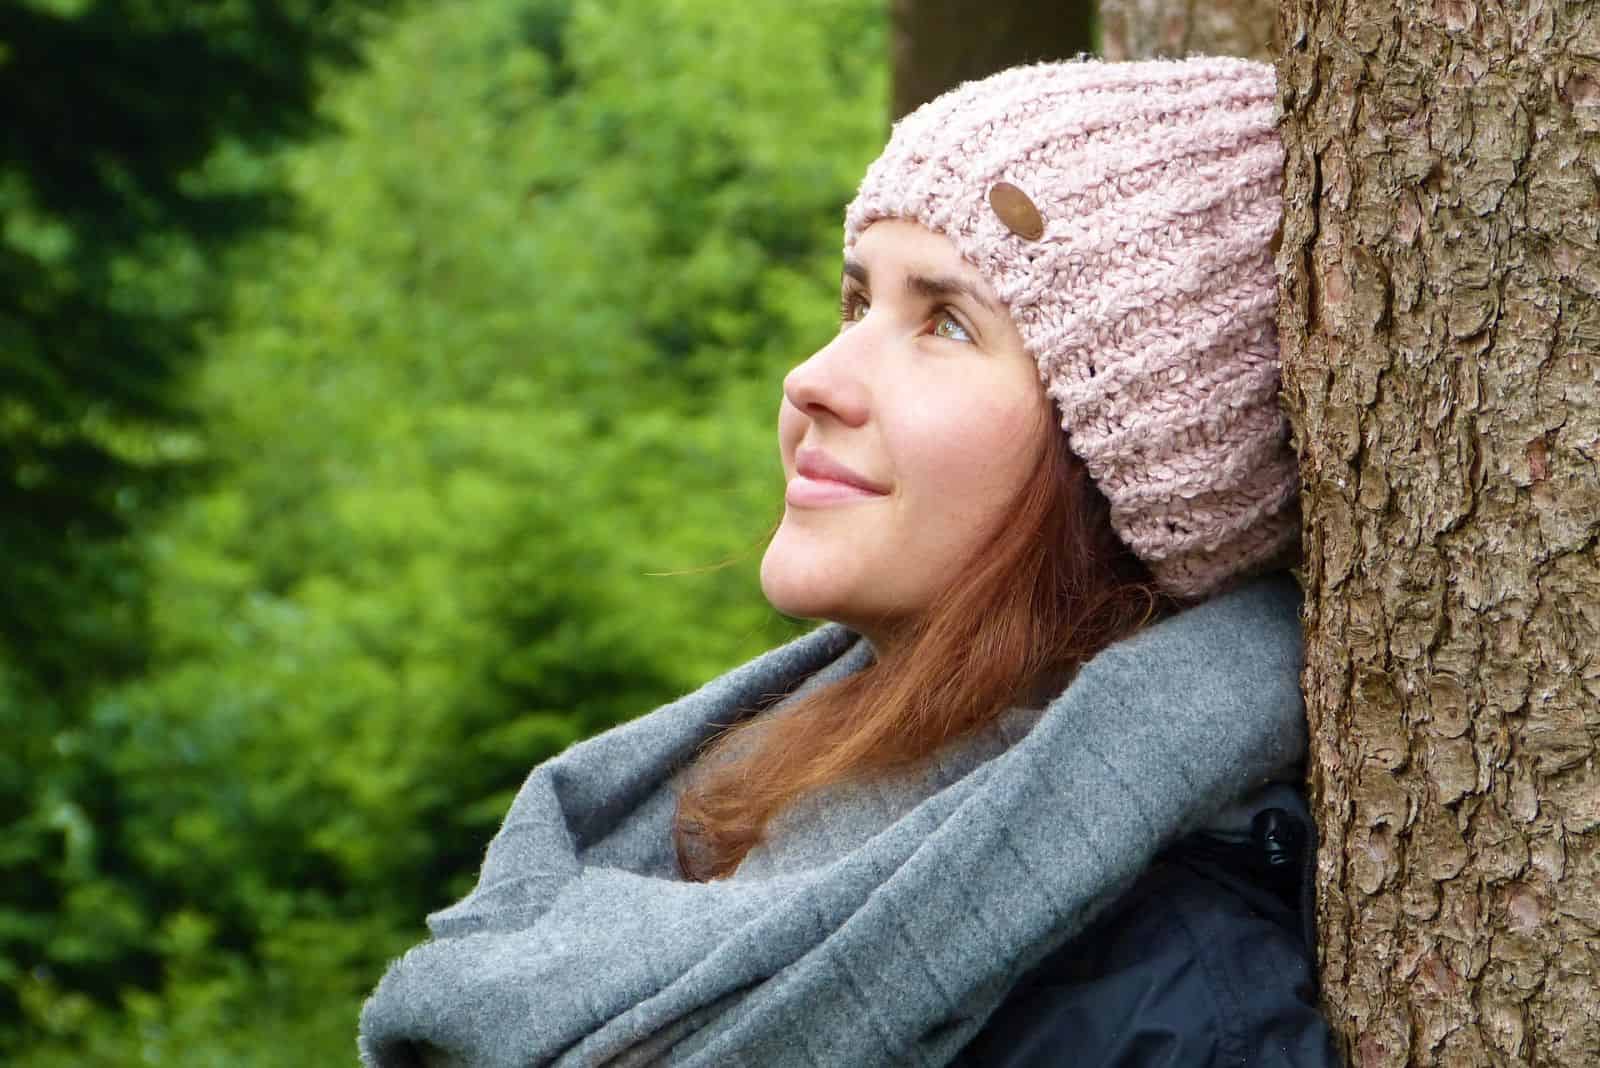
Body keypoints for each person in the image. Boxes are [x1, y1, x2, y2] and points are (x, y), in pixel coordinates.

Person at [359, 54, 1342, 1067]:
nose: (813, 378)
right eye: (854, 304)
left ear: (1139, 458)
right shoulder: (747, 803)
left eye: (946, 323)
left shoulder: (1163, 1015)